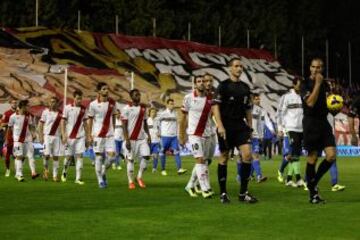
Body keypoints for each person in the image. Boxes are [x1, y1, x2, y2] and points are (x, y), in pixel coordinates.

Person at [212, 58, 258, 204]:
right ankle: (223, 193)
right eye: (236, 66)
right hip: (226, 125)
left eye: (241, 66)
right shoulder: (223, 86)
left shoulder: (245, 88)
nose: (239, 68)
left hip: (240, 126)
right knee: (224, 156)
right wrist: (220, 125)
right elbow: (215, 107)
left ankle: (243, 193)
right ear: (230, 69)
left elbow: (248, 109)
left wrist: (250, 126)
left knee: (247, 155)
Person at [301, 58, 337, 203]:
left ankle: (312, 183)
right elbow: (310, 102)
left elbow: (327, 102)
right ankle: (313, 195)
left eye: (319, 67)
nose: (316, 70)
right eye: (314, 67)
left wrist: (334, 106)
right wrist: (317, 84)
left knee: (331, 155)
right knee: (313, 158)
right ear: (310, 68)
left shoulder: (325, 84)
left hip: (324, 122)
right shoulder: (304, 84)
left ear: (322, 69)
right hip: (311, 123)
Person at [180, 75, 214, 198]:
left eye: (203, 81)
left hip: (208, 134)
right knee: (199, 160)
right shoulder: (188, 98)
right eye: (198, 81)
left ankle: (190, 185)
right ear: (195, 84)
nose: (201, 83)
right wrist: (181, 135)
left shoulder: (211, 98)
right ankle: (205, 189)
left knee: (205, 161)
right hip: (194, 134)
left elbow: (213, 116)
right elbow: (183, 118)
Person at [88, 82, 119, 188]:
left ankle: (103, 171)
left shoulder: (112, 103)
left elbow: (114, 116)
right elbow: (90, 120)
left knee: (111, 158)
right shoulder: (93, 104)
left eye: (107, 89)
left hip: (109, 135)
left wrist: (114, 129)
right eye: (104, 89)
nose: (106, 90)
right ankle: (100, 180)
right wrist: (89, 135)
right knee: (99, 157)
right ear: (99, 91)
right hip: (98, 135)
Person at [277, 77, 306, 187]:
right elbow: (279, 113)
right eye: (298, 85)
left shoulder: (303, 97)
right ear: (293, 85)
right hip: (290, 128)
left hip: (301, 129)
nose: (300, 87)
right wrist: (280, 128)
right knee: (291, 154)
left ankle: (289, 179)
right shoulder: (286, 97)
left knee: (296, 155)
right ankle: (282, 171)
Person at [121, 89, 151, 189]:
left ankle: (139, 177)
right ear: (131, 97)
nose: (138, 96)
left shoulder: (143, 108)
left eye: (139, 94)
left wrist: (149, 135)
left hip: (142, 139)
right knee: (130, 160)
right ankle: (130, 181)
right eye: (136, 95)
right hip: (131, 139)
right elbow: (124, 125)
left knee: (146, 156)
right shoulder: (126, 108)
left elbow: (145, 122)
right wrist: (127, 139)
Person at [60, 90, 88, 184]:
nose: (79, 100)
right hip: (69, 137)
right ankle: (64, 172)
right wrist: (63, 134)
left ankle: (78, 179)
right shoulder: (67, 108)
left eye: (81, 98)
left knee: (80, 156)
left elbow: (85, 123)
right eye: (78, 98)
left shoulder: (84, 109)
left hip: (80, 137)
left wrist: (88, 136)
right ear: (74, 98)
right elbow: (63, 122)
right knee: (68, 157)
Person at [7, 100, 40, 181]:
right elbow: (9, 129)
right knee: (19, 156)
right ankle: (19, 175)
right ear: (23, 106)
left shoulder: (28, 116)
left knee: (31, 156)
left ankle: (33, 172)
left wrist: (33, 133)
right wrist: (9, 139)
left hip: (28, 139)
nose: (29, 107)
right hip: (18, 140)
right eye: (27, 106)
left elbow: (31, 126)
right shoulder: (13, 116)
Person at [158, 99, 187, 176]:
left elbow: (177, 125)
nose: (172, 105)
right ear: (167, 105)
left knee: (177, 152)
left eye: (173, 104)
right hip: (165, 136)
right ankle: (163, 169)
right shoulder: (163, 114)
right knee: (163, 152)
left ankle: (179, 169)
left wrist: (178, 135)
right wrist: (159, 132)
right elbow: (157, 123)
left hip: (174, 137)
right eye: (170, 104)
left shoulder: (175, 114)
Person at [39, 96, 64, 182]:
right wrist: (40, 136)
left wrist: (63, 136)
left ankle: (55, 175)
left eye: (54, 102)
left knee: (56, 157)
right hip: (47, 136)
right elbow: (41, 124)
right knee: (46, 155)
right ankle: (46, 170)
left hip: (57, 137)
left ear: (57, 103)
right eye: (51, 102)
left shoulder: (61, 113)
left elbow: (62, 125)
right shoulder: (45, 112)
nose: (52, 103)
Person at [1, 99, 17, 177]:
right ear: (10, 103)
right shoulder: (6, 113)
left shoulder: (19, 113)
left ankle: (17, 170)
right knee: (7, 155)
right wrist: (10, 123)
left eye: (15, 103)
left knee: (17, 154)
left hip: (18, 137)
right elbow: (2, 124)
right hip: (9, 136)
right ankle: (8, 169)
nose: (15, 104)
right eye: (13, 102)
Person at [147, 108, 161, 173]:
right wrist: (147, 137)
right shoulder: (147, 121)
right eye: (152, 112)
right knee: (147, 155)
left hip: (157, 141)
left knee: (156, 155)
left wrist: (159, 133)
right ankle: (143, 166)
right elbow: (144, 130)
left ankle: (154, 168)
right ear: (149, 113)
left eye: (155, 112)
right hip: (149, 141)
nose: (153, 113)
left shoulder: (157, 120)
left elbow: (160, 128)